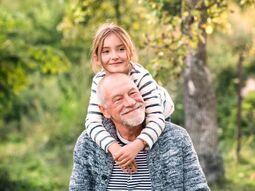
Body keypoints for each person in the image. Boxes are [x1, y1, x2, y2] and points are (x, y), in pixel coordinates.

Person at [69, 73, 210, 190]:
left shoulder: (176, 138)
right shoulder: (88, 144)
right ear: (104, 111)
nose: (130, 102)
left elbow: (198, 188)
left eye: (133, 93)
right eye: (118, 99)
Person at [85, 23, 174, 171]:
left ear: (130, 52)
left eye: (121, 49)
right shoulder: (99, 81)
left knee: (156, 148)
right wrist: (115, 149)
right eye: (106, 51)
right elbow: (92, 122)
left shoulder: (140, 76)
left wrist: (136, 146)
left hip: (158, 113)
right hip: (125, 123)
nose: (114, 56)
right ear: (97, 58)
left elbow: (156, 118)